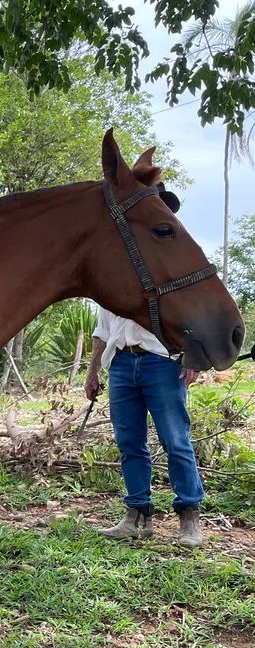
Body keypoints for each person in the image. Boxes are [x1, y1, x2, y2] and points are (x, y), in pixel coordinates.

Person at [83, 184, 204, 548]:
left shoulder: (175, 263)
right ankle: (137, 515)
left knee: (175, 440)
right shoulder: (116, 269)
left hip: (162, 363)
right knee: (130, 443)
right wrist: (93, 371)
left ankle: (189, 518)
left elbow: (195, 311)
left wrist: (194, 356)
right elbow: (103, 328)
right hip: (121, 364)